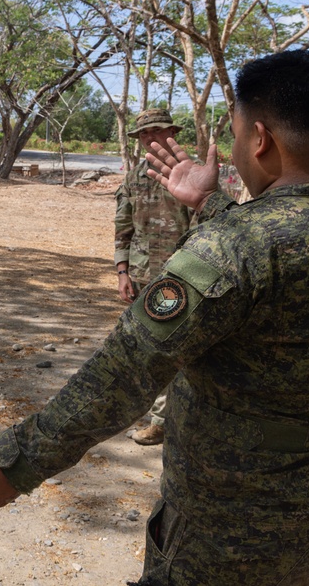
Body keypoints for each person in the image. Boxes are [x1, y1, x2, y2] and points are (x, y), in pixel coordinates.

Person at [0, 50, 309, 586]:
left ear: (259, 139)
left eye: (234, 134)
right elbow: (284, 265)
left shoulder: (231, 248)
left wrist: (18, 460)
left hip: (231, 538)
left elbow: (126, 370)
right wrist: (210, 202)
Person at [115, 108, 193, 446]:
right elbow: (123, 228)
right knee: (147, 348)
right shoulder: (134, 177)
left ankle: (164, 421)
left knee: (177, 349)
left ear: (172, 132)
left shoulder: (194, 177)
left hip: (185, 277)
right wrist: (122, 272)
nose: (149, 138)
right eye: (144, 134)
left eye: (156, 131)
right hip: (143, 276)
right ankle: (158, 415)